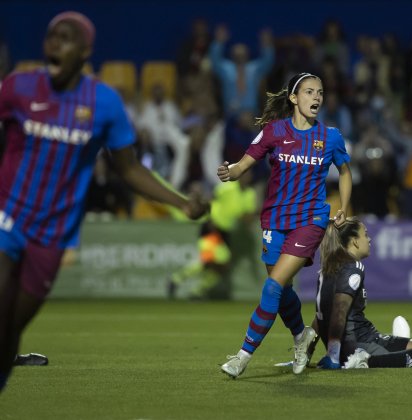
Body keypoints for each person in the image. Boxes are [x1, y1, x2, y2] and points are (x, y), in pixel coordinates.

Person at [0, 11, 208, 393]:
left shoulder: (104, 104)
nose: (54, 44)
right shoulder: (17, 88)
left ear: (85, 50)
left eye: (65, 38)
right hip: (7, 218)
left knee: (11, 329)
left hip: (52, 235)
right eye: (50, 37)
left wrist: (182, 203)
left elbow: (128, 170)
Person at [217, 72, 352, 378]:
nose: (316, 97)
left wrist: (342, 206)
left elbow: (345, 172)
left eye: (320, 92)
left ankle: (242, 356)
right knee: (281, 290)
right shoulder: (274, 131)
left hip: (310, 220)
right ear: (293, 98)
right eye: (309, 92)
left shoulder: (330, 137)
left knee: (272, 286)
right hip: (275, 220)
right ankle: (302, 335)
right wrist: (231, 172)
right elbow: (244, 164)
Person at [313, 218, 412, 369]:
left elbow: (320, 316)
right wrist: (333, 356)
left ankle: (381, 354)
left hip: (361, 341)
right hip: (361, 344)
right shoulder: (354, 267)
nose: (369, 239)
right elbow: (339, 311)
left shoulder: (327, 270)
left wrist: (306, 353)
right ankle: (365, 362)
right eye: (365, 234)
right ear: (355, 242)